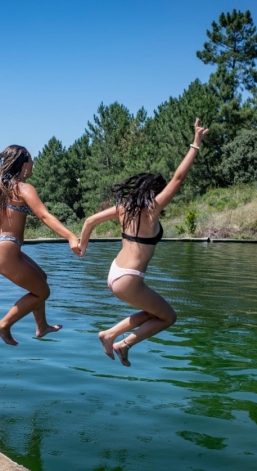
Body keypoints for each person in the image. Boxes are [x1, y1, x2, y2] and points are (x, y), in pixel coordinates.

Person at [79, 118, 209, 366]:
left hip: (115, 272)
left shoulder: (124, 208)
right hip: (128, 278)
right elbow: (179, 178)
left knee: (153, 312)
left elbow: (89, 221)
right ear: (155, 192)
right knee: (169, 317)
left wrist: (83, 246)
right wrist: (195, 143)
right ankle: (120, 342)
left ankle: (111, 335)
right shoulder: (151, 210)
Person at [0, 145, 81, 345]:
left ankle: (42, 326)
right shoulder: (23, 188)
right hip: (6, 248)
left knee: (41, 278)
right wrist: (70, 236)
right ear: (24, 165)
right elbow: (44, 215)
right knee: (43, 292)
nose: (33, 164)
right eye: (32, 161)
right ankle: (4, 325)